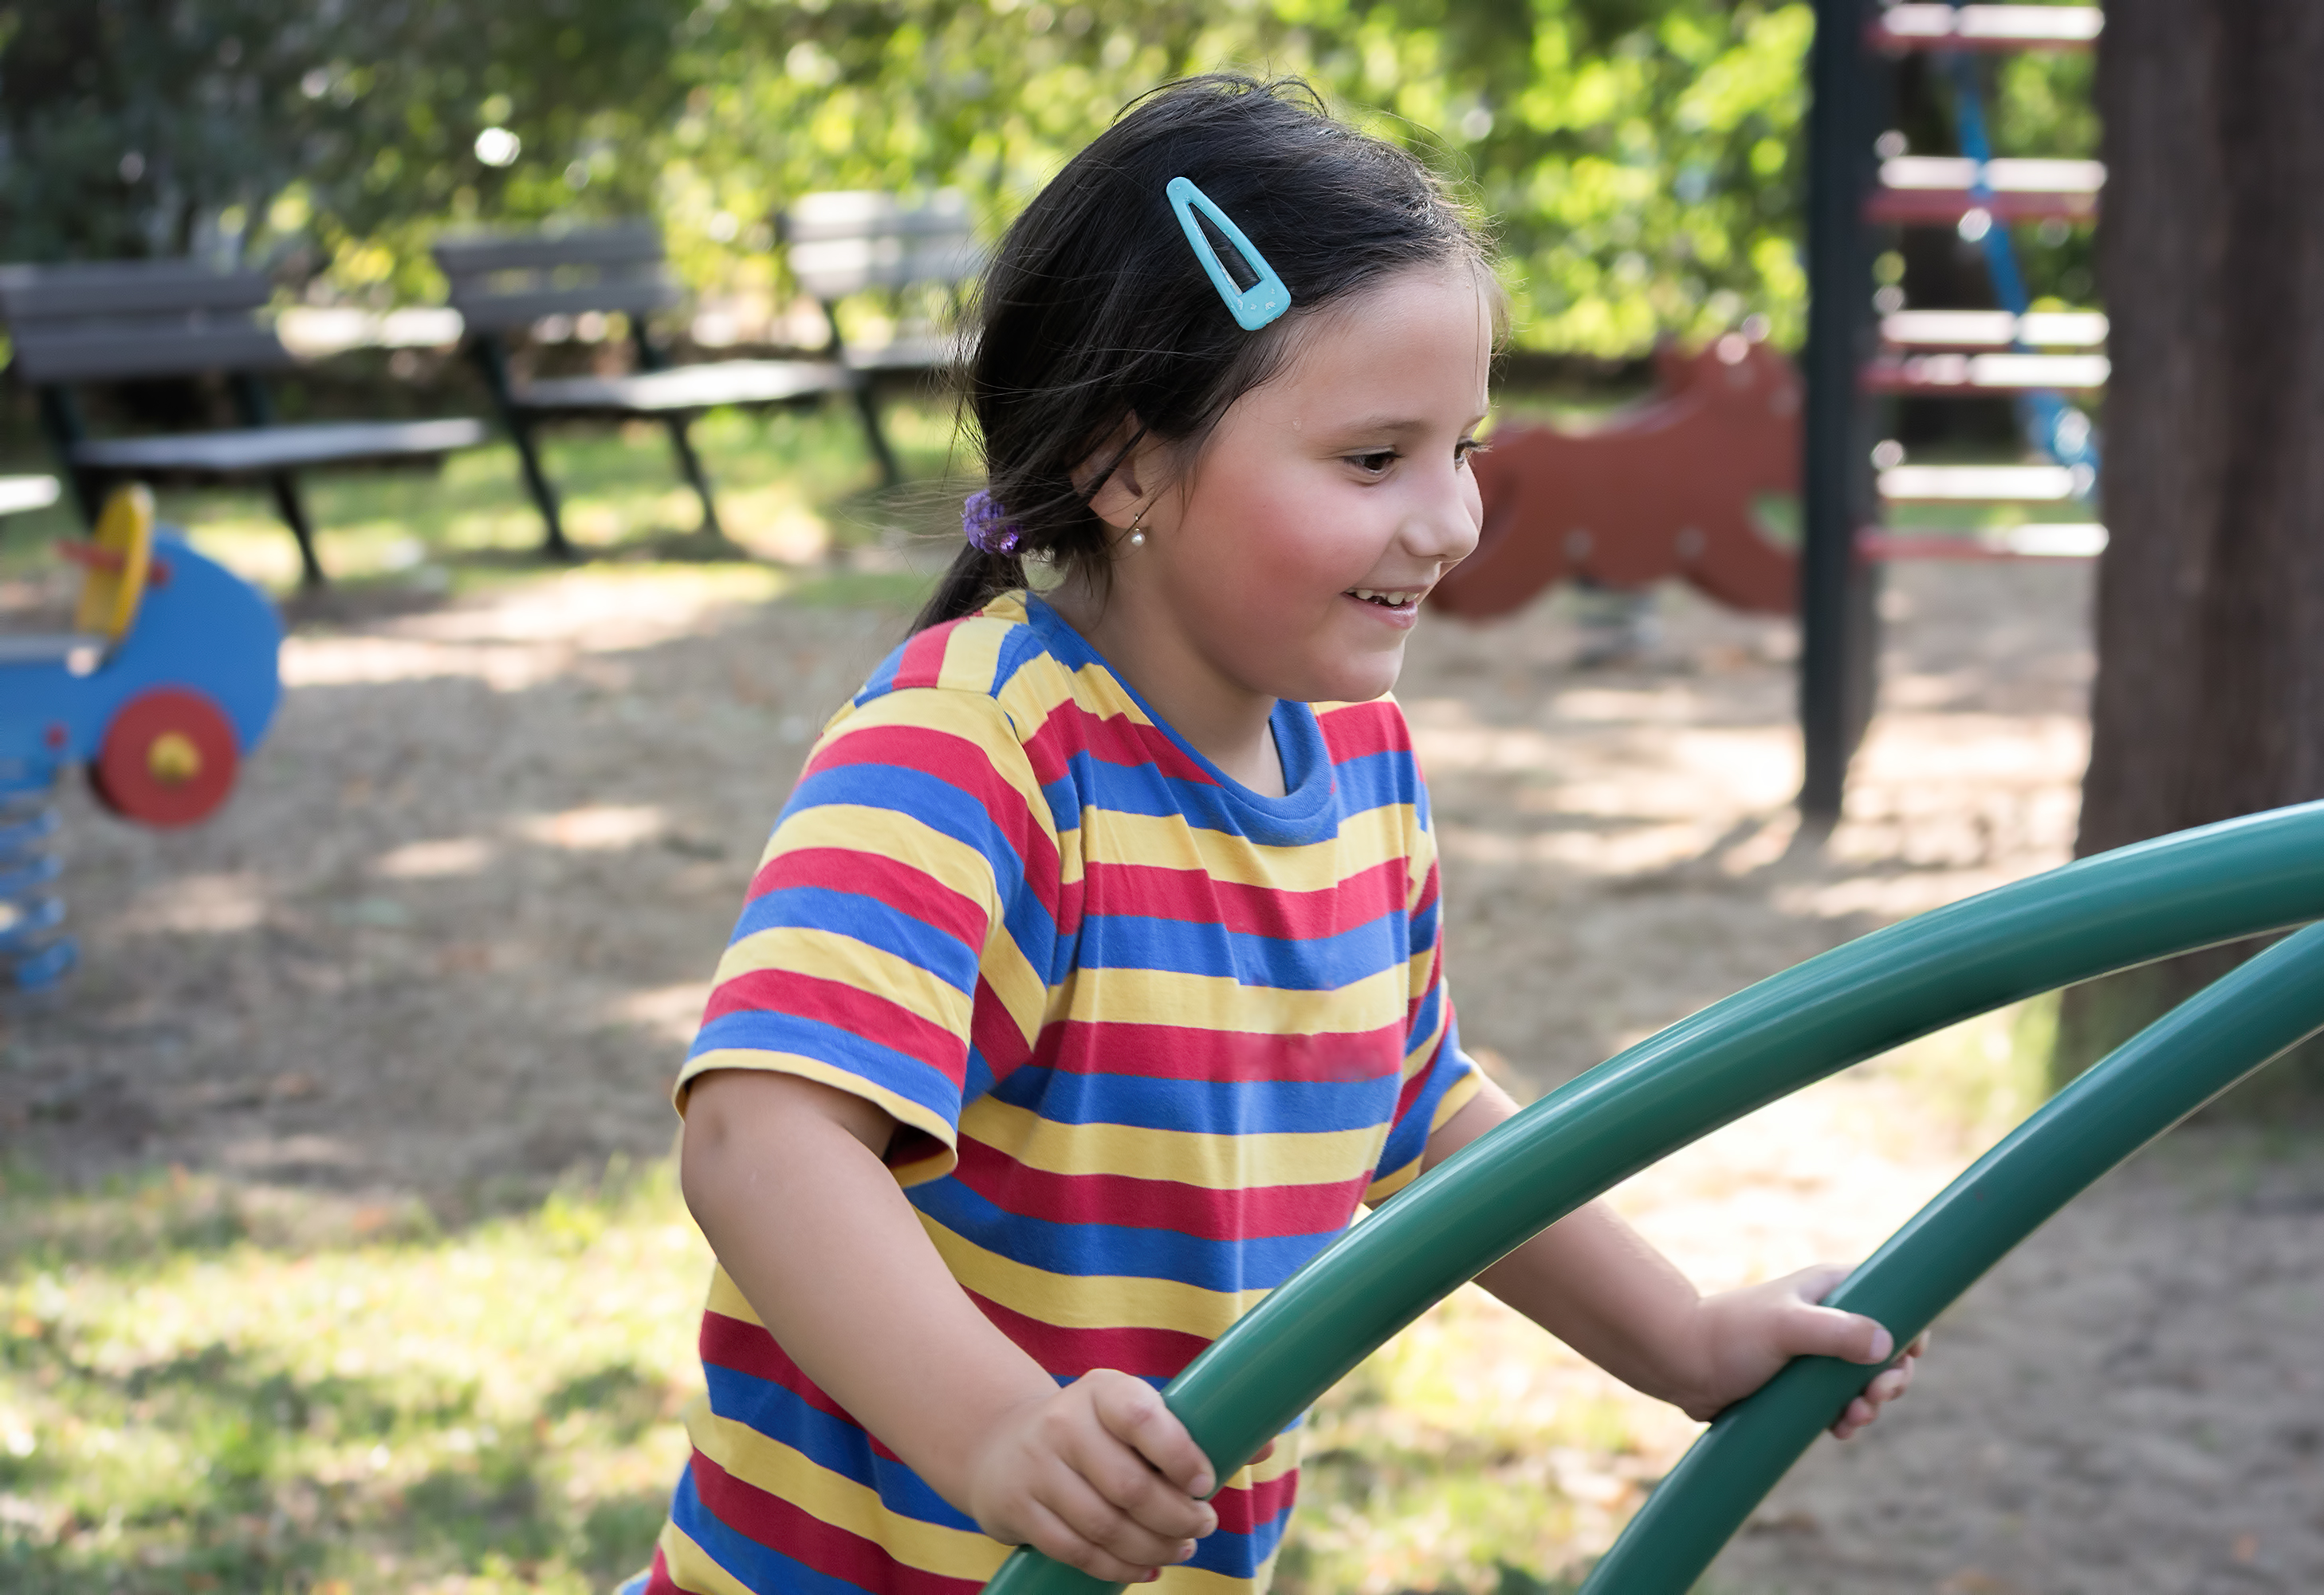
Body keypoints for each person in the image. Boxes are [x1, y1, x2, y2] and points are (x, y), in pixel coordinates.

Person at [637, 75, 1921, 1595]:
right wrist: (996, 1435)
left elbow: (1419, 1109)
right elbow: (761, 1138)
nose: (1450, 520)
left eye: (1464, 447)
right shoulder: (977, 758)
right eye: (1375, 460)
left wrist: (1684, 1336)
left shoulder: (1356, 756)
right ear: (1126, 466)